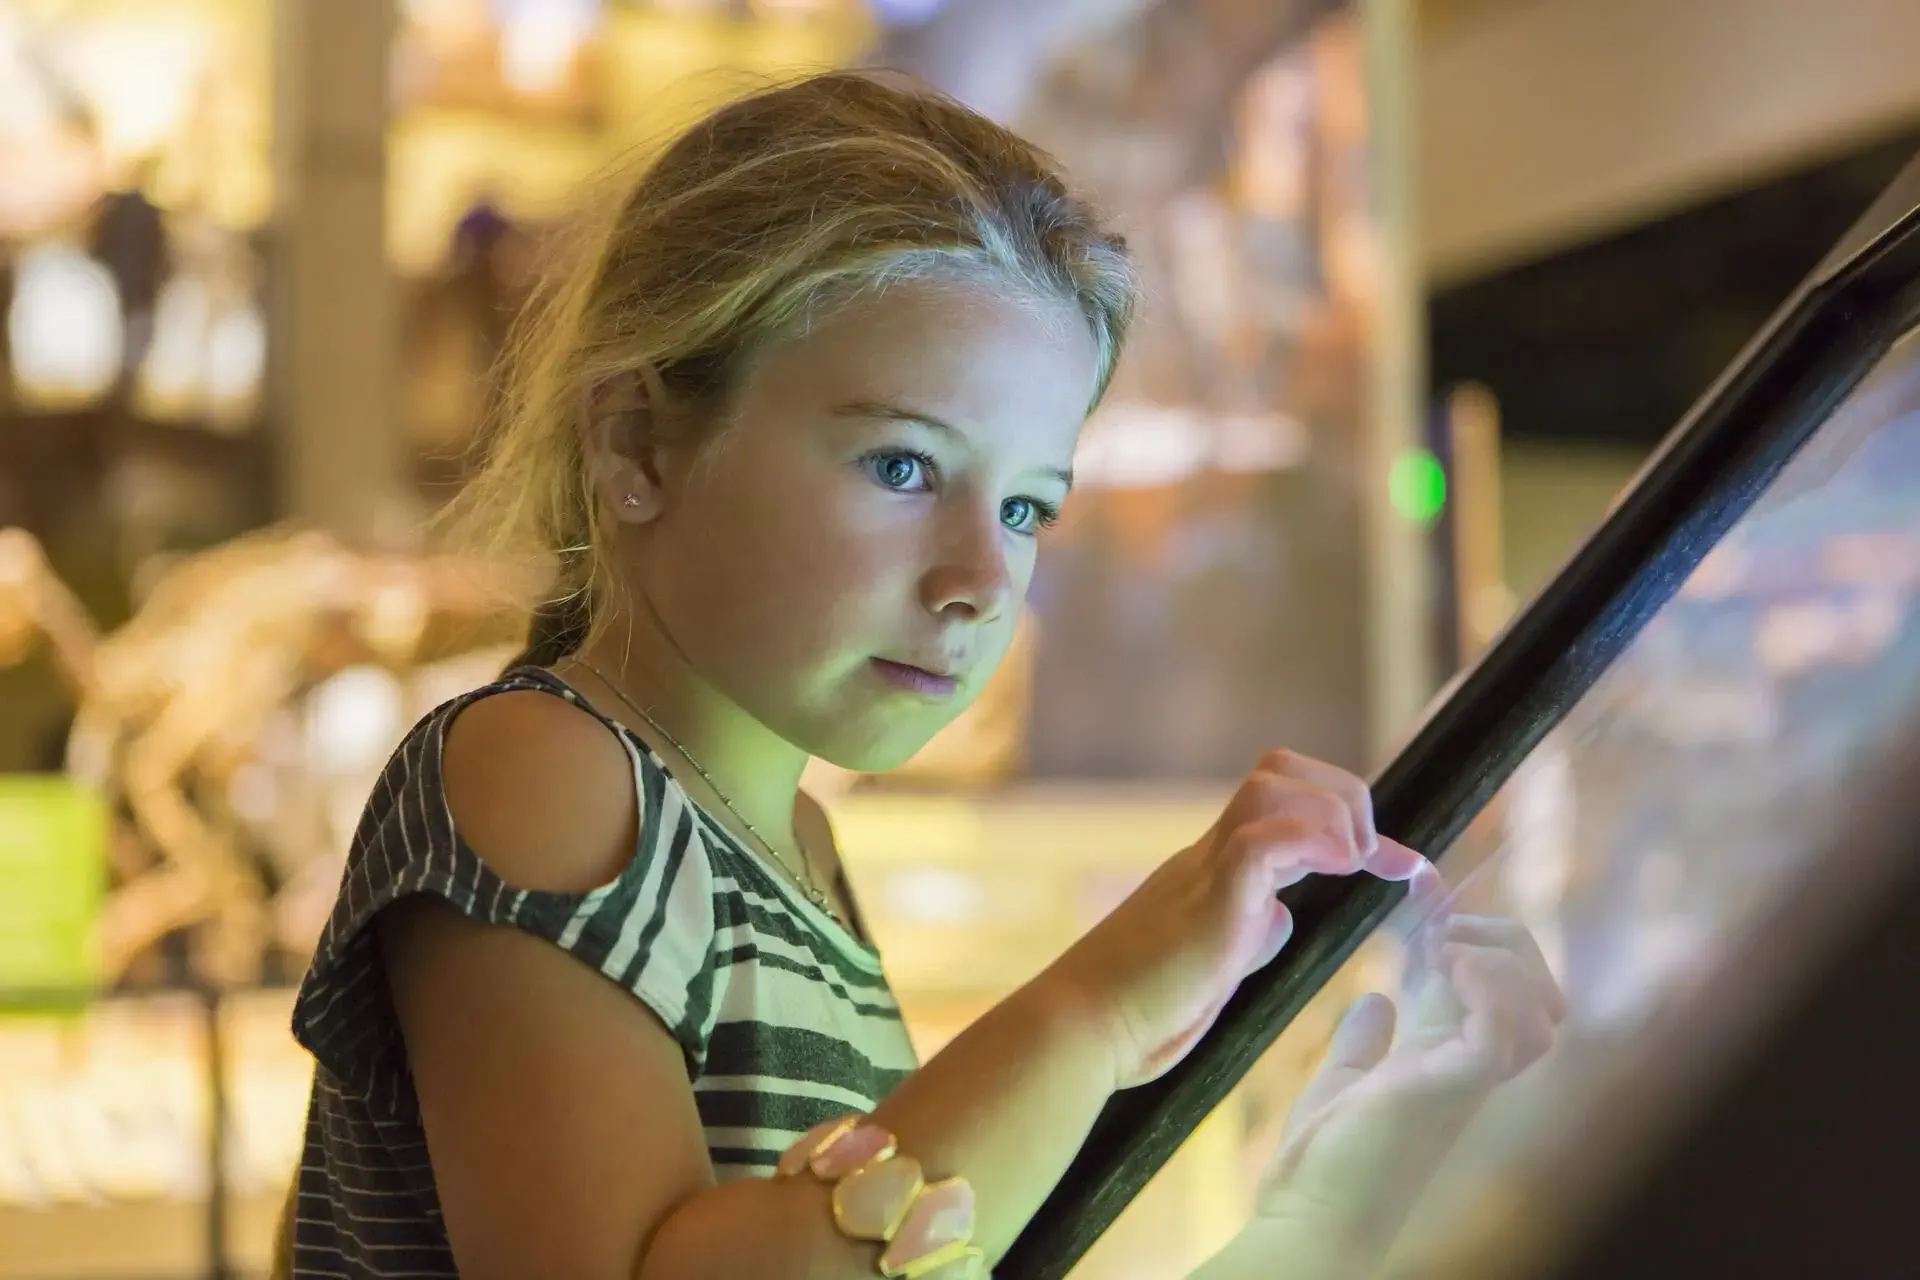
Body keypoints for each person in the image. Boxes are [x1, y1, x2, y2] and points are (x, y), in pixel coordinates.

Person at [279, 71, 1563, 1279]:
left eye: (1023, 508)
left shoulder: (798, 857)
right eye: (903, 466)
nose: (978, 581)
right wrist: (1099, 1004)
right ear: (639, 442)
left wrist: (1321, 1213)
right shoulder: (539, 768)